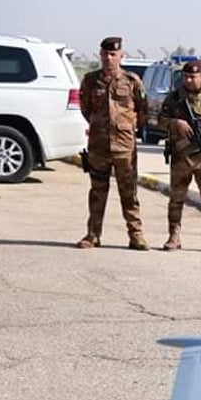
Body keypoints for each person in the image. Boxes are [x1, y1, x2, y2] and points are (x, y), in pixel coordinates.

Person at [76, 36, 148, 250]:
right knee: (97, 192)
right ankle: (93, 235)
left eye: (113, 54)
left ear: (121, 56)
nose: (109, 58)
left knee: (129, 193)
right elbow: (85, 109)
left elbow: (142, 110)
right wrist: (100, 126)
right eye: (105, 54)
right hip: (99, 146)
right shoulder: (90, 80)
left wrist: (126, 127)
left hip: (125, 147)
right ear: (100, 55)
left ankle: (136, 236)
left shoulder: (132, 81)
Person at [157, 60, 201, 253]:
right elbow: (159, 121)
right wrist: (175, 123)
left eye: (193, 77)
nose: (188, 80)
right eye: (186, 76)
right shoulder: (174, 99)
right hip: (181, 158)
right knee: (176, 199)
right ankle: (174, 236)